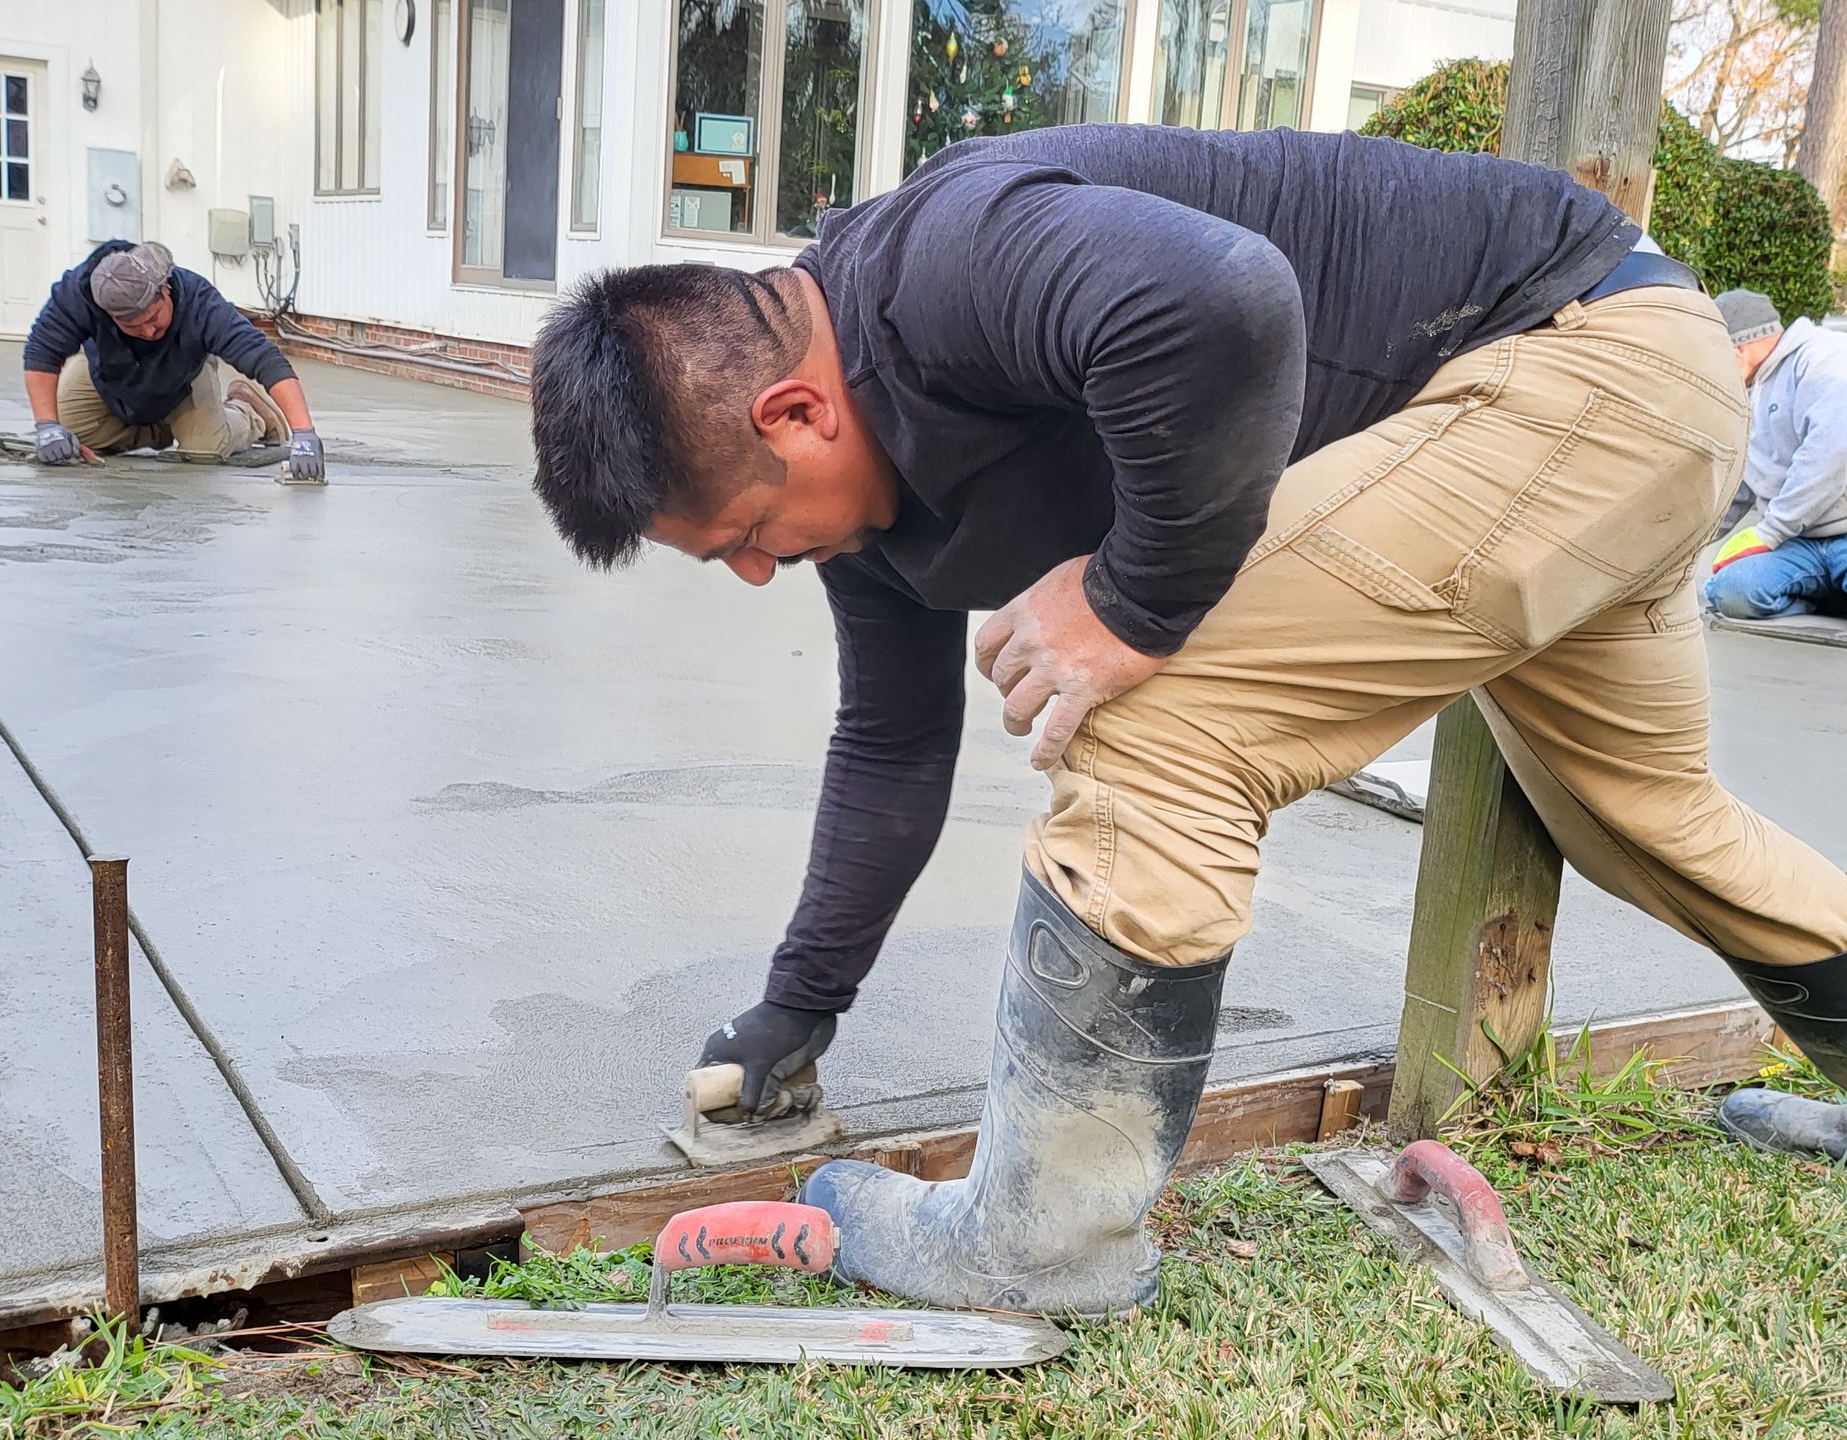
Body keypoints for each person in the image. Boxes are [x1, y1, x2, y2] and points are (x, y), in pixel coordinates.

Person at [529, 125, 1847, 1314]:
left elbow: (1220, 299)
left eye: (746, 535)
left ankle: (1040, 1248)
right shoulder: (868, 523)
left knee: (1155, 724)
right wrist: (793, 1011)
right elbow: (892, 745)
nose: (759, 572)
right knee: (1644, 818)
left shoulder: (947, 261)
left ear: (796, 412)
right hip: (1623, 398)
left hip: (1574, 362)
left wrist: (1134, 605)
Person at [22, 240, 326, 480]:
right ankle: (164, 428)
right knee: (69, 434)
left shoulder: (201, 303)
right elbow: (41, 351)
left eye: (154, 318)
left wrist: (304, 434)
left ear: (165, 288)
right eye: (133, 326)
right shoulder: (80, 293)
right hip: (108, 371)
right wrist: (47, 426)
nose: (149, 331)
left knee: (206, 448)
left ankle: (249, 413)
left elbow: (264, 359)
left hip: (183, 378)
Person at [1705, 289, 1847, 622]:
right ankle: (1828, 599)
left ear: (1738, 348)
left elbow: (1830, 454)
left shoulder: (1826, 360)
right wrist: (1686, 544)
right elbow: (1742, 483)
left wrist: (1769, 532)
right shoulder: (1750, 390)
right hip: (1798, 546)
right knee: (1730, 593)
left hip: (1841, 534)